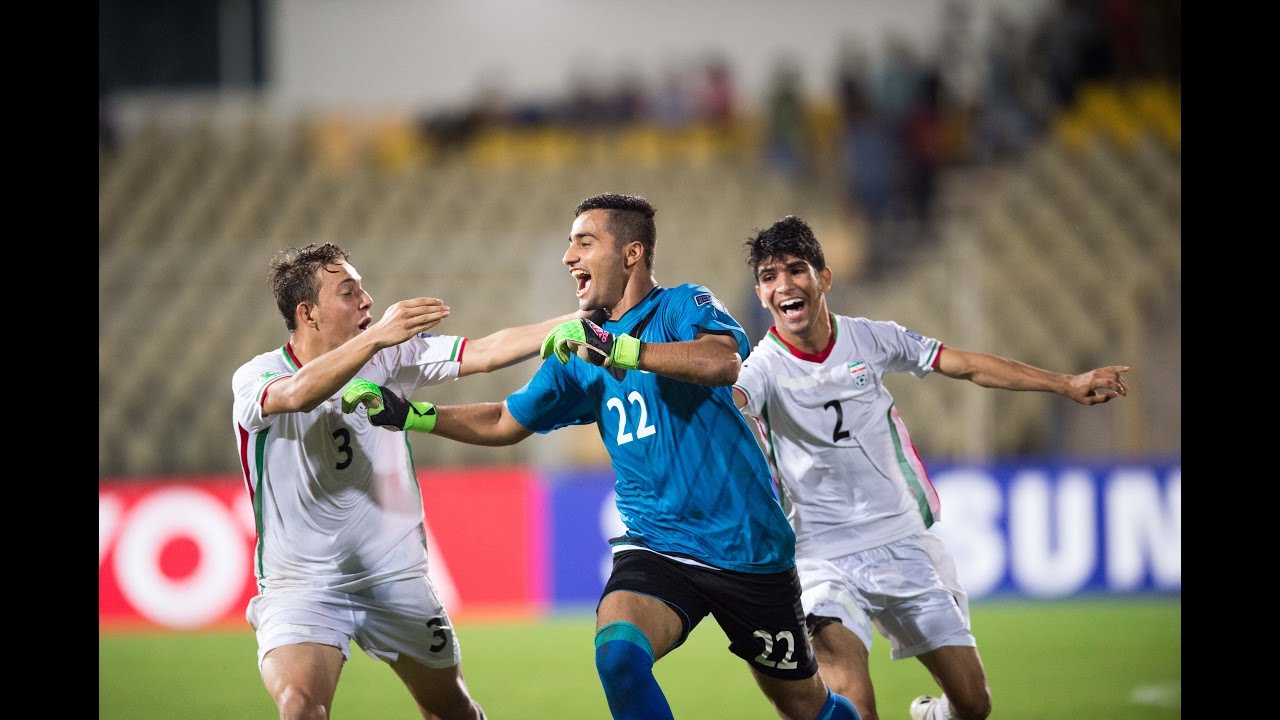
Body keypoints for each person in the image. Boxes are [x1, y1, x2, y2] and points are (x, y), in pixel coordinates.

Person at [341, 194, 862, 720]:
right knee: (618, 655)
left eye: (584, 242)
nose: (569, 256)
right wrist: (414, 414)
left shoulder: (682, 305)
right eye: (570, 243)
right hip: (657, 545)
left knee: (803, 705)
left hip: (745, 546)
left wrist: (621, 350)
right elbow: (505, 419)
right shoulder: (578, 350)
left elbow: (724, 360)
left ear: (631, 253)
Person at [731, 215, 1130, 720]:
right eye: (769, 276)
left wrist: (1065, 383)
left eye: (795, 270)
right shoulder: (761, 367)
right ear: (761, 293)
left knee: (973, 704)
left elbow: (967, 365)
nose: (784, 285)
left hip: (903, 542)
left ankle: (932, 714)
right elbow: (730, 402)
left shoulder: (872, 339)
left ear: (823, 278)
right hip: (819, 557)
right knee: (851, 703)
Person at [230, 242, 584, 720]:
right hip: (303, 587)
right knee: (300, 707)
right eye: (349, 292)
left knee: (451, 711)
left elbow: (485, 350)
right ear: (307, 313)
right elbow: (297, 394)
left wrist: (582, 323)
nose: (368, 301)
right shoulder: (259, 376)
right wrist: (374, 340)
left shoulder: (391, 358)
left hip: (394, 576)